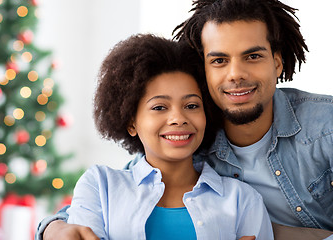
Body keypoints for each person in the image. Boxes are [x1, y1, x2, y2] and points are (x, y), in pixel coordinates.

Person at [37, 0, 333, 239]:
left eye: (252, 56)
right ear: (203, 70)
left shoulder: (329, 123)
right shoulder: (193, 138)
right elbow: (121, 185)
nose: (236, 74)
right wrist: (53, 227)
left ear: (277, 63)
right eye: (219, 60)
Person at [62, 34, 273, 239]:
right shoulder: (100, 187)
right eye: (159, 107)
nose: (178, 118)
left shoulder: (242, 200)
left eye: (191, 106)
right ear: (131, 122)